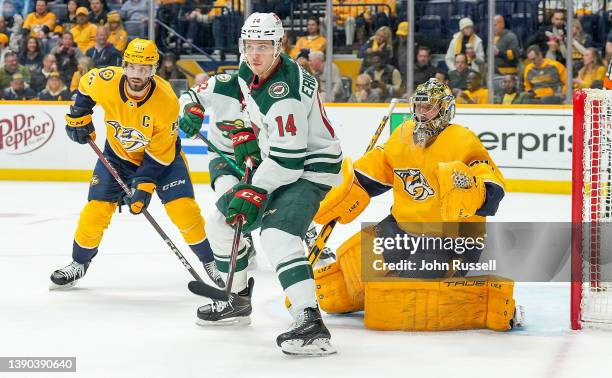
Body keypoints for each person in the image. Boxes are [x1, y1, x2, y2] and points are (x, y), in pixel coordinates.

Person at [184, 13, 343, 356]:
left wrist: (254, 189)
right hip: (278, 162)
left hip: (310, 169)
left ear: (278, 46)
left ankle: (310, 321)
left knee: (277, 235)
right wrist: (193, 105)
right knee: (221, 224)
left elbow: (290, 161)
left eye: (263, 46)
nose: (254, 54)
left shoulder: (283, 91)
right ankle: (236, 300)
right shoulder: (252, 68)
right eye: (249, 46)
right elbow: (216, 87)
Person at [312, 78, 523, 333]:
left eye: (429, 107)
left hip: (449, 237)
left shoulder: (463, 141)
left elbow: (493, 188)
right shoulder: (402, 135)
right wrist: (347, 189)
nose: (422, 113)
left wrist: (475, 193)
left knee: (408, 298)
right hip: (401, 227)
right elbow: (374, 171)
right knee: (347, 282)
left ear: (444, 110)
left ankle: (493, 301)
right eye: (419, 106)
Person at [49, 38, 225, 291]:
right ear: (125, 65)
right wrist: (79, 115)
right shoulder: (106, 79)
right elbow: (85, 88)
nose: (137, 74)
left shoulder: (166, 101)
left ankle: (210, 262)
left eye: (144, 69)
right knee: (95, 212)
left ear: (154, 70)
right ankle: (78, 263)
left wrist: (144, 187)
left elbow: (159, 155)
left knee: (184, 210)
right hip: (117, 157)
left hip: (163, 162)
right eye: (133, 67)